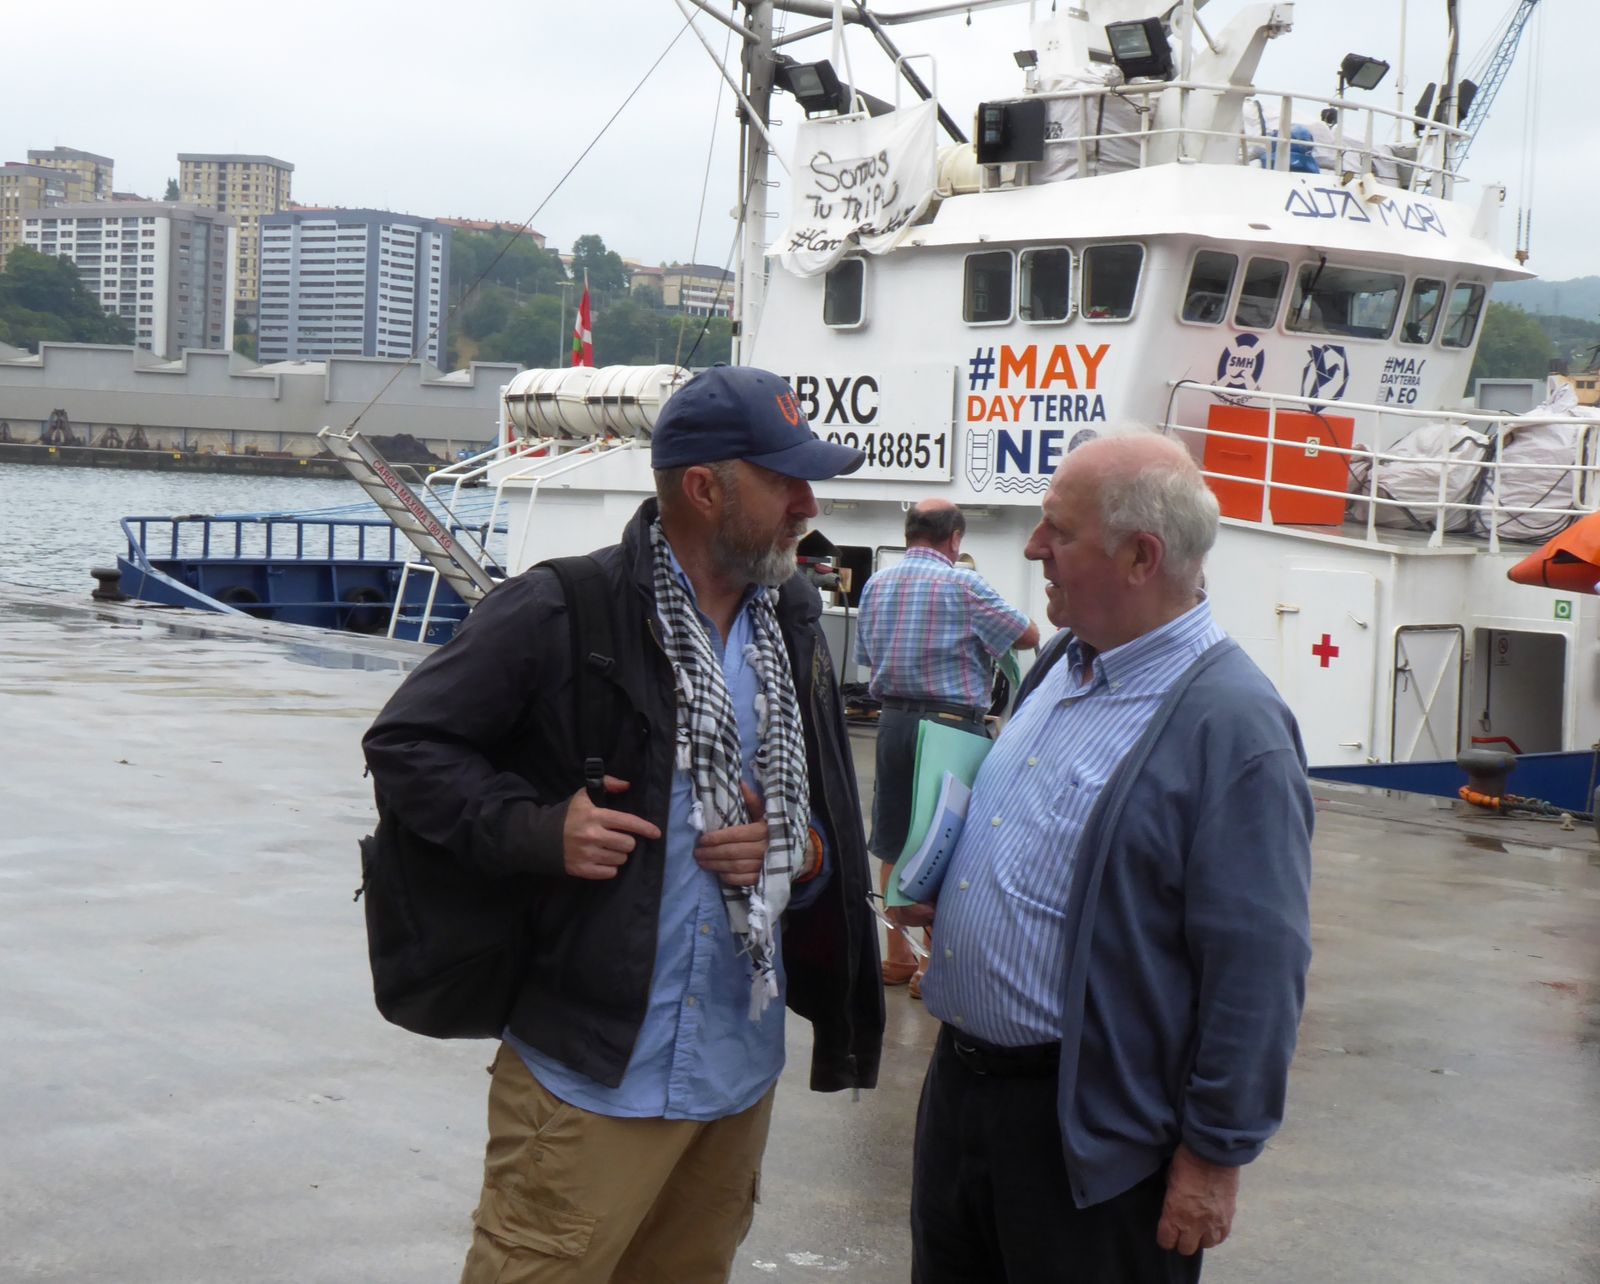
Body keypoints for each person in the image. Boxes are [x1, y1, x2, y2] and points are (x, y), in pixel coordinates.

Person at [363, 365, 884, 1284]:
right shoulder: (563, 607)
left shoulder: (791, 619)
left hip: (732, 1072)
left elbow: (822, 813)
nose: (809, 502)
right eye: (784, 479)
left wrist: (797, 856)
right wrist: (534, 829)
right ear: (703, 487)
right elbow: (407, 744)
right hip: (592, 1074)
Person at [897, 433, 1313, 1282]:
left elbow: (1257, 968)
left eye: (1058, 530)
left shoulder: (1232, 727)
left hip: (1089, 1140)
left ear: (1139, 556)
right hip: (963, 1100)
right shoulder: (1062, 659)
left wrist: (1213, 1158)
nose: (1032, 548)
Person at [853, 499, 1038, 995]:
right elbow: (1028, 635)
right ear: (954, 538)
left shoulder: (877, 583)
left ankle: (896, 957)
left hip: (893, 722)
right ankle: (929, 967)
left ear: (910, 532)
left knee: (894, 837)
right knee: (944, 842)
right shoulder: (964, 583)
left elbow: (866, 658)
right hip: (952, 727)